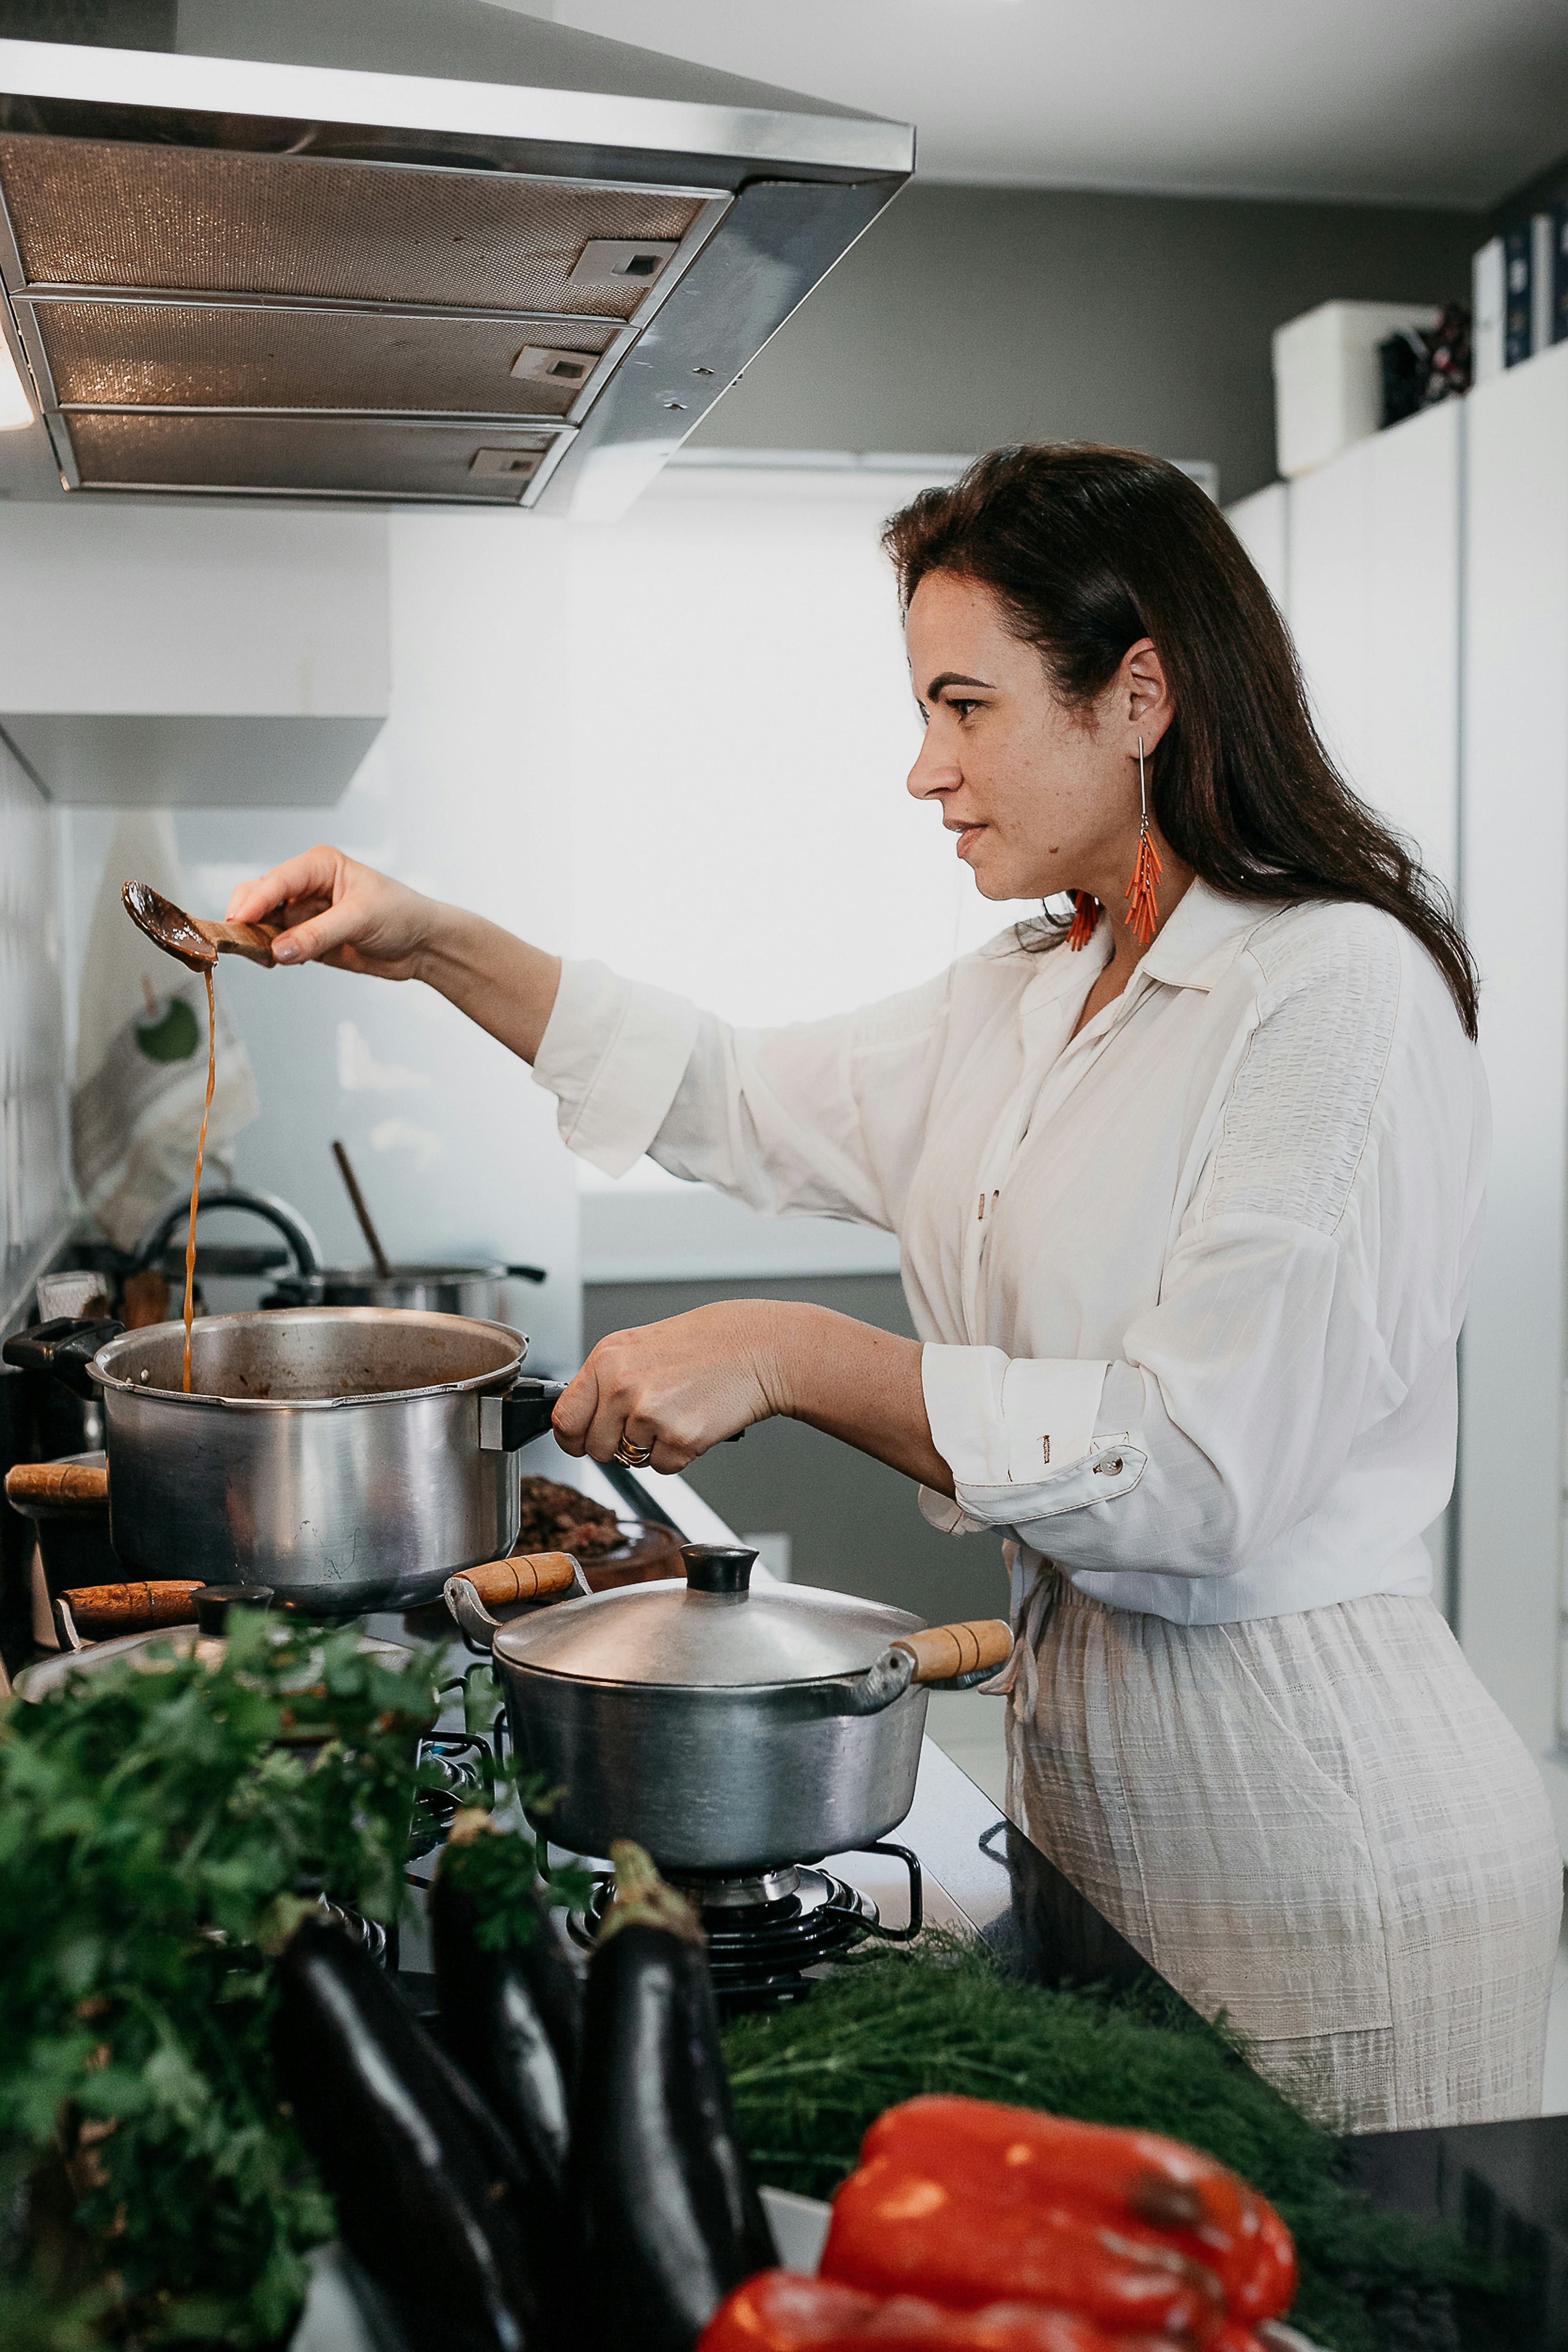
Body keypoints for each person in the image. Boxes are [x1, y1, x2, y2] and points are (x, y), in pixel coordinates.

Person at [229, 443, 1561, 2133]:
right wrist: (424, 938)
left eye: (966, 706)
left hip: (1335, 1859)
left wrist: (794, 1353)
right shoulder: (1032, 989)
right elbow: (723, 1088)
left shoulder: (1332, 994)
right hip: (1105, 1830)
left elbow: (1206, 1472)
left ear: (1136, 694)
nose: (923, 768)